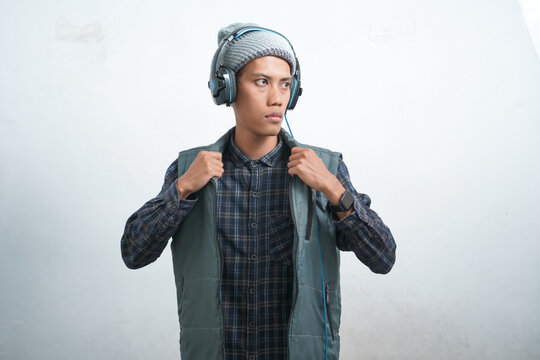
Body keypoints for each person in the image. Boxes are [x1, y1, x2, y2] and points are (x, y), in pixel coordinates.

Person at [121, 22, 396, 360]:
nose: (276, 97)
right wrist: (182, 189)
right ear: (228, 88)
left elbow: (383, 258)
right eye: (262, 81)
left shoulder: (325, 170)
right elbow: (133, 252)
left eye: (284, 84)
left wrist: (332, 187)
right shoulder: (189, 170)